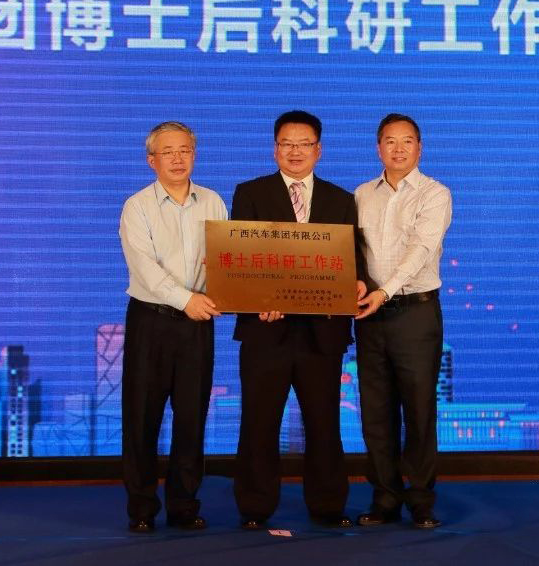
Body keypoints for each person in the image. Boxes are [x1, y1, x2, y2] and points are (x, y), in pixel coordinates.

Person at [230, 110, 360, 530]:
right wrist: (257, 299)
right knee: (258, 422)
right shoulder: (250, 193)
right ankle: (255, 507)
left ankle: (328, 505)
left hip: (322, 332)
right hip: (266, 328)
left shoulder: (341, 200)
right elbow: (242, 260)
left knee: (323, 423)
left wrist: (354, 285)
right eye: (287, 144)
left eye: (304, 144)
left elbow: (350, 262)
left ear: (319, 150)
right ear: (275, 149)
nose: (295, 151)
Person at [118, 121, 226, 534]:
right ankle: (142, 507)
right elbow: (144, 268)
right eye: (168, 152)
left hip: (198, 324)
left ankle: (184, 505)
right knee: (142, 417)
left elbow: (224, 260)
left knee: (191, 417)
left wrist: (228, 290)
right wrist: (186, 299)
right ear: (152, 161)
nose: (178, 158)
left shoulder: (213, 202)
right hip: (151, 320)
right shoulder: (137, 206)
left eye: (185, 150)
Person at [352, 113, 452, 529]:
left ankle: (421, 500)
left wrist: (384, 290)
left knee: (419, 409)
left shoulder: (435, 194)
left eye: (407, 141)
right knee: (375, 411)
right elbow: (352, 252)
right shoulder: (361, 194)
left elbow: (421, 250)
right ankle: (385, 498)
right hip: (369, 316)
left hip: (415, 313)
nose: (398, 149)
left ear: (419, 148)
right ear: (378, 148)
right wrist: (359, 283)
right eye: (390, 141)